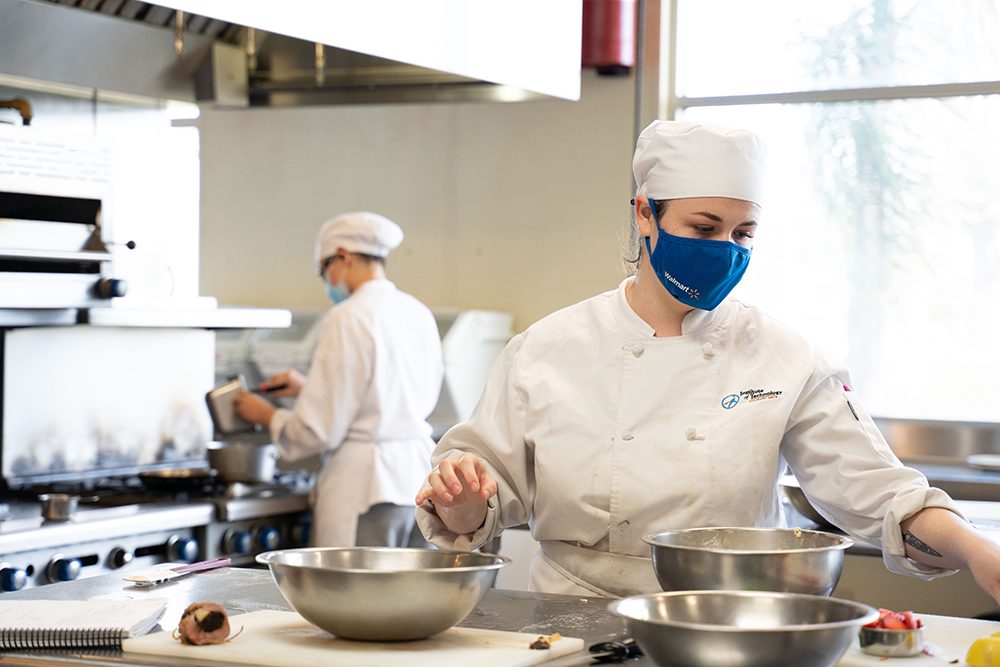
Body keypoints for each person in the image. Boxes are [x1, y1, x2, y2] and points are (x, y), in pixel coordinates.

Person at [414, 120, 1000, 600]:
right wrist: (463, 502)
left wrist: (978, 550)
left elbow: (878, 493)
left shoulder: (785, 356)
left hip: (736, 622)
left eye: (744, 233)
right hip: (576, 621)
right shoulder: (546, 349)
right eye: (703, 227)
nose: (725, 250)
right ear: (644, 214)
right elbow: (473, 511)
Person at [236, 211, 443, 548]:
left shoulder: (346, 317)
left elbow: (318, 430)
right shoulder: (416, 311)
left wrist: (264, 414)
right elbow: (389, 394)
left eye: (323, 270)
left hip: (367, 487)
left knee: (360, 597)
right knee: (412, 596)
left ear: (342, 258)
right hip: (418, 479)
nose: (326, 281)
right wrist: (309, 390)